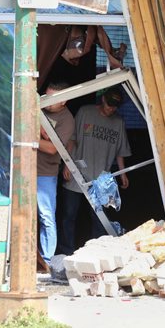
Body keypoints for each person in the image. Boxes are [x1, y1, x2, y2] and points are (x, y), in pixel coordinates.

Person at [59, 86, 131, 255]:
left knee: (99, 219)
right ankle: (65, 252)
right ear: (103, 100)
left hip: (101, 180)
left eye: (115, 107)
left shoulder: (118, 122)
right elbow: (72, 140)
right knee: (68, 216)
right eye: (109, 105)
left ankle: (95, 253)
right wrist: (67, 164)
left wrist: (123, 173)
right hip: (77, 174)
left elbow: (121, 151)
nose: (111, 109)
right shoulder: (85, 112)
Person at [37, 82, 75, 264]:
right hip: (23, 169)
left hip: (45, 173)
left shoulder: (67, 120)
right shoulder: (38, 107)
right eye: (45, 96)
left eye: (52, 99)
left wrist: (27, 139)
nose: (46, 101)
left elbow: (53, 149)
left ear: (63, 101)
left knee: (46, 216)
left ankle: (47, 261)